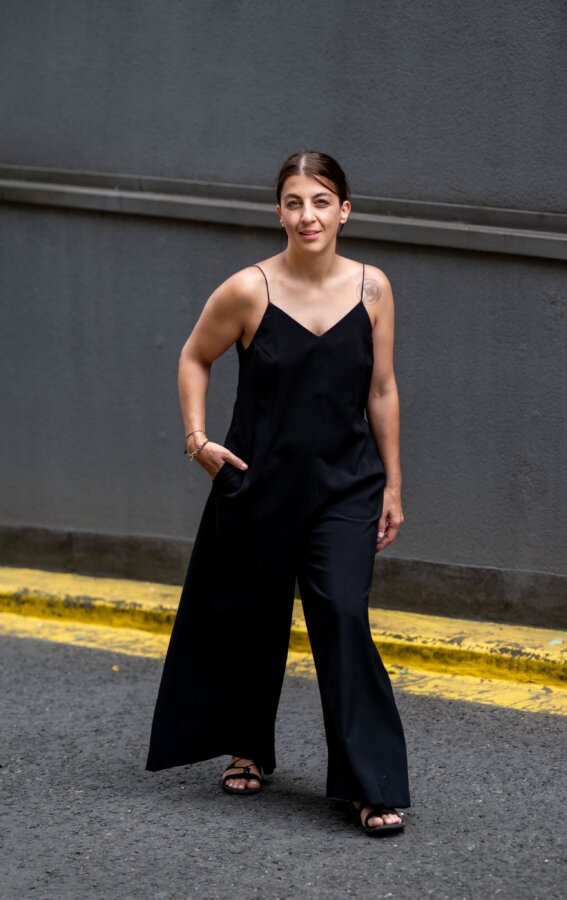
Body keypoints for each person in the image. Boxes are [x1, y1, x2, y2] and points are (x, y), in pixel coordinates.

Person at [145, 150, 410, 837]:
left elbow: (382, 389)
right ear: (279, 213)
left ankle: (369, 783)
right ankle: (247, 748)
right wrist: (198, 440)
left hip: (347, 487)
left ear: (344, 211)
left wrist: (393, 484)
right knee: (251, 617)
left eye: (321, 201)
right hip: (258, 482)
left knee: (343, 614)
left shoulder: (373, 289)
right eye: (294, 202)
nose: (307, 215)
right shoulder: (249, 290)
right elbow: (194, 356)